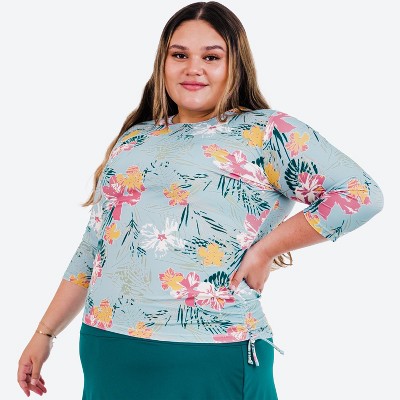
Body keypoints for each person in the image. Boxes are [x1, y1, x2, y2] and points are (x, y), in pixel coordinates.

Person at [17, 2, 384, 399]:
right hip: (107, 347)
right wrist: (45, 332)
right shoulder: (135, 138)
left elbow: (360, 194)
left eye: (211, 57)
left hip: (213, 351)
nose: (193, 68)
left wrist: (266, 250)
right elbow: (93, 246)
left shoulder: (267, 132)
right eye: (180, 55)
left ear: (235, 64)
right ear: (163, 63)